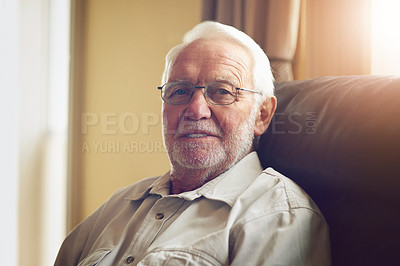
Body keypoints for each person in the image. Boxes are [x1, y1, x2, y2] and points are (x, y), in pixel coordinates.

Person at [55, 21, 331, 265]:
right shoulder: (118, 205)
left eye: (223, 91)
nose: (196, 109)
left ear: (262, 115)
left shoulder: (277, 216)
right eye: (179, 91)